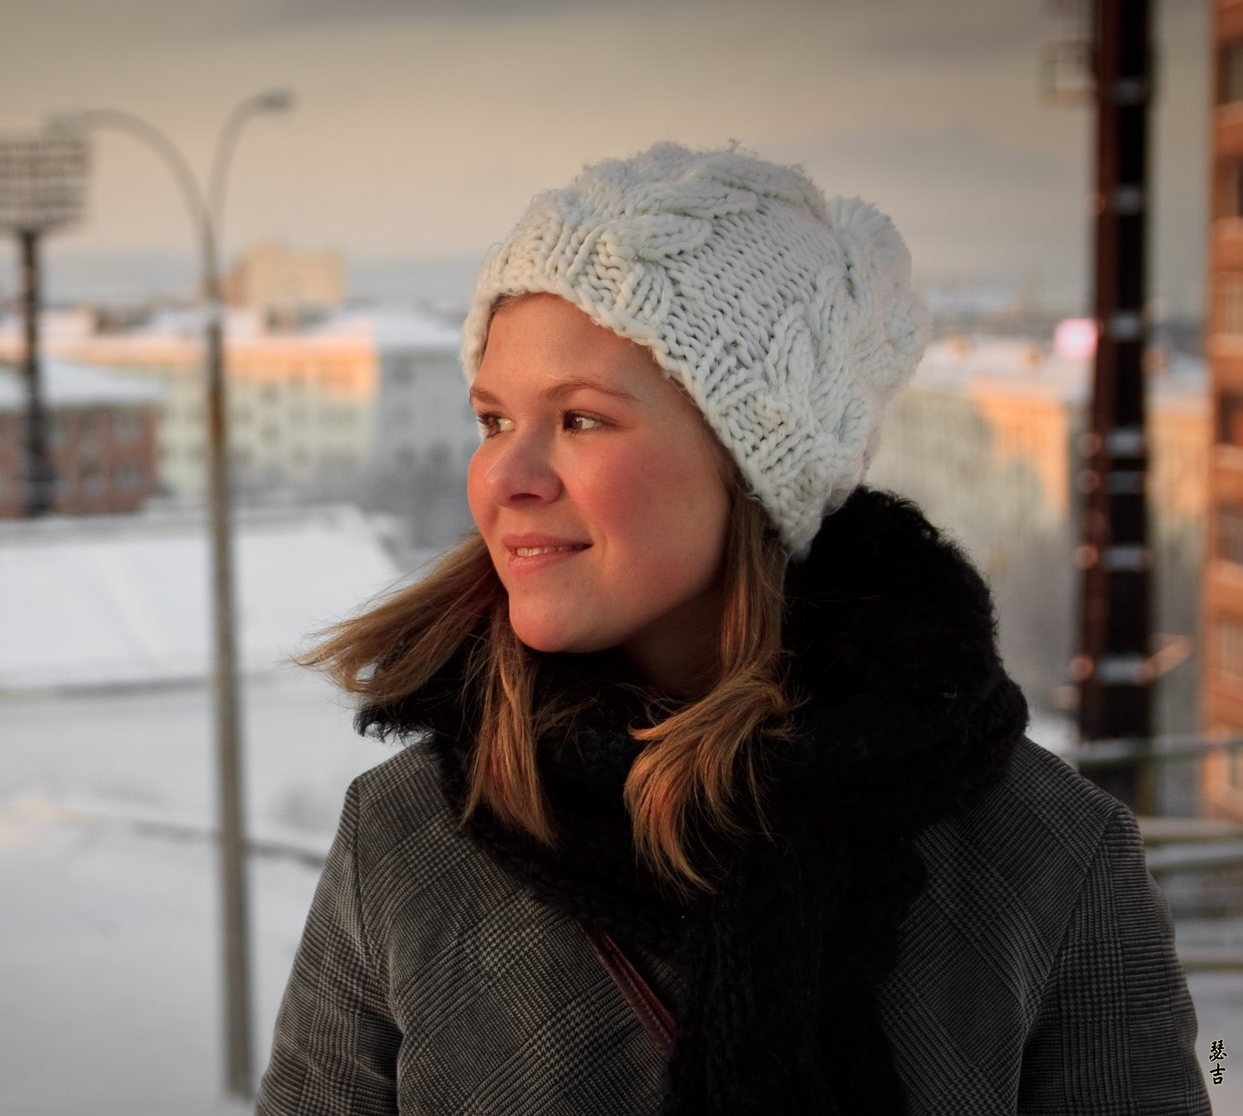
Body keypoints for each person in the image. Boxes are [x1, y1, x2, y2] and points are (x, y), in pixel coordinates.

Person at [255, 142, 1209, 1115]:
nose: (506, 476)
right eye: (494, 421)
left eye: (580, 419)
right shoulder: (406, 839)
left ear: (751, 466)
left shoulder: (1047, 857)